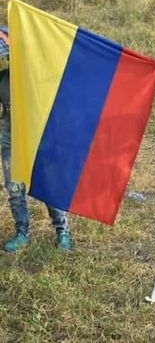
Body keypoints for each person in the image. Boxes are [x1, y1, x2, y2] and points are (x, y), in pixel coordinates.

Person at [0, 28, 73, 253]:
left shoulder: (38, 78)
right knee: (14, 188)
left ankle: (62, 231)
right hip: (10, 138)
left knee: (50, 186)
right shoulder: (2, 79)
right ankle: (22, 232)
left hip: (41, 138)